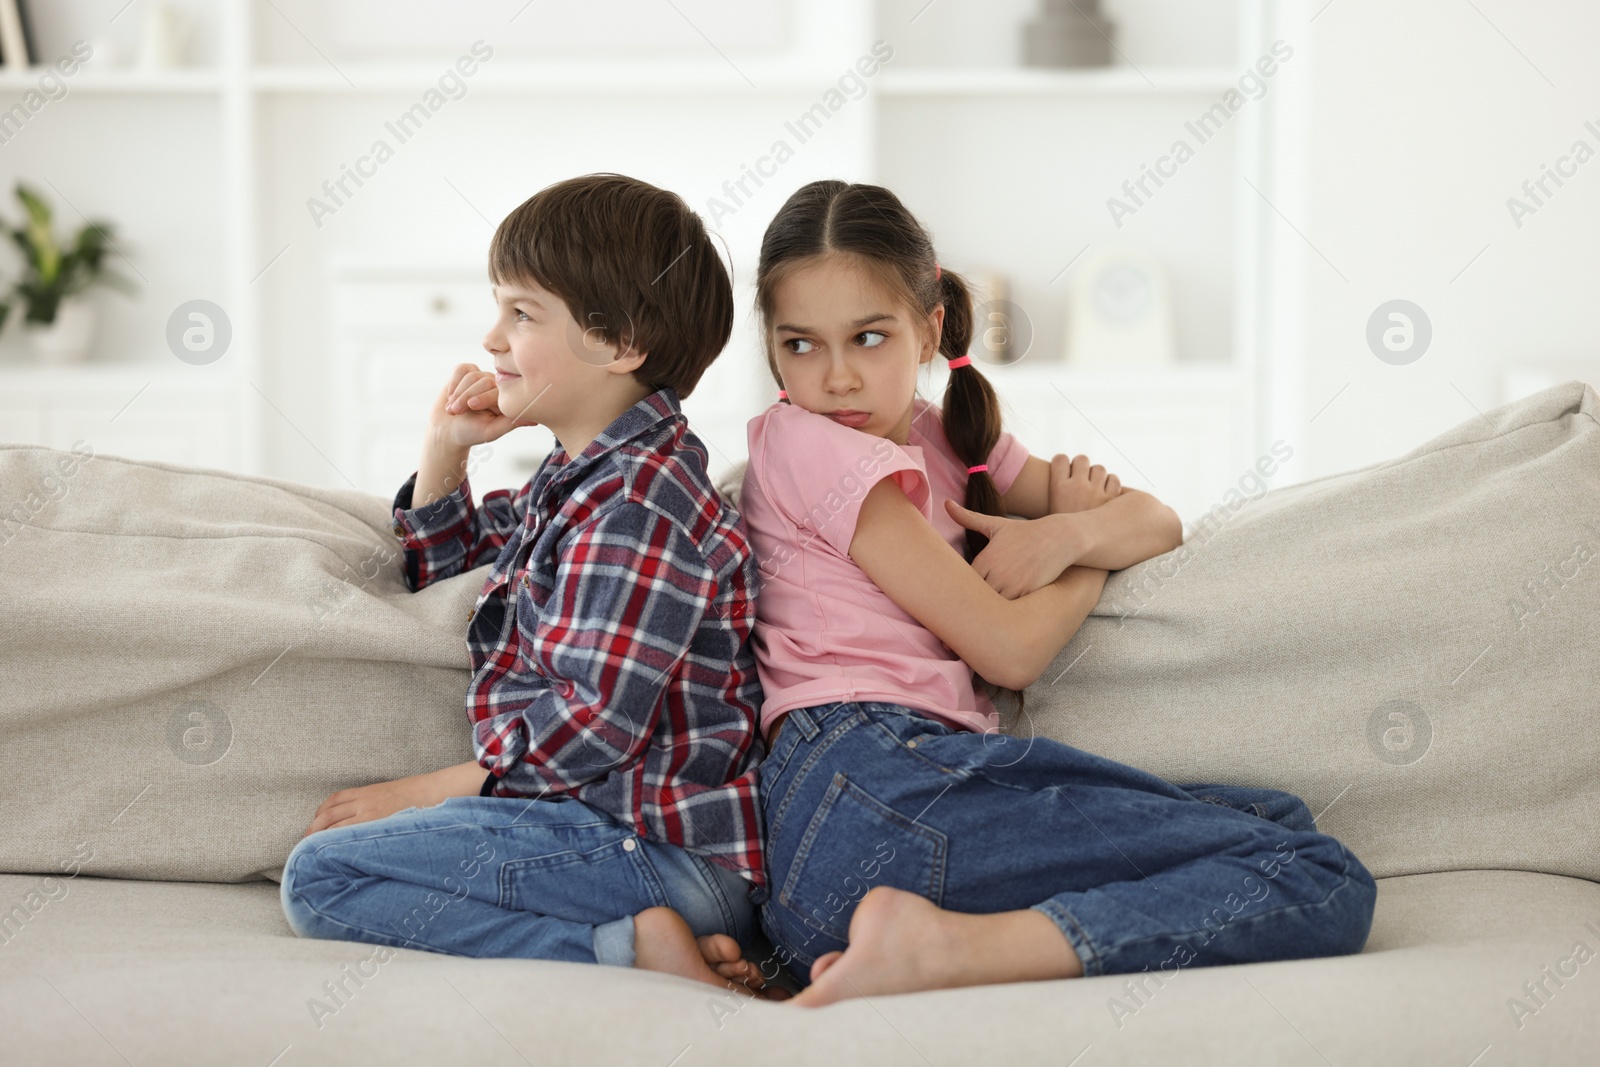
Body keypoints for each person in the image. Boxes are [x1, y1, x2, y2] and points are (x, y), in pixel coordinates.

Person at [697, 179, 1377, 1007]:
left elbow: (1156, 521)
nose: (836, 377)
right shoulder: (815, 450)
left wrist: (1064, 534)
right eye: (801, 345)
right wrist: (1085, 556)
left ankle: (913, 944)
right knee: (1323, 878)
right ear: (771, 346)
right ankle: (951, 949)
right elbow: (1010, 650)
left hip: (869, 822)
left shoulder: (948, 438)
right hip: (871, 782)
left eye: (868, 338)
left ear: (929, 328)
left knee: (1276, 825)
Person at [279, 173, 782, 997]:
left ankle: (635, 947)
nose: (491, 337)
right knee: (329, 874)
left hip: (657, 848)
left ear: (620, 342)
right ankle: (636, 940)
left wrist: (431, 791)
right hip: (595, 829)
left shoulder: (639, 504)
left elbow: (597, 717)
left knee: (322, 879)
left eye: (520, 313)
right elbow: (451, 570)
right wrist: (447, 450)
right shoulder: (584, 477)